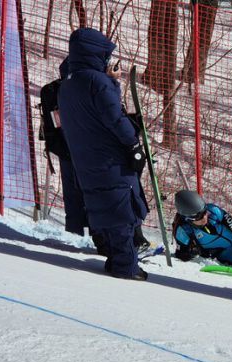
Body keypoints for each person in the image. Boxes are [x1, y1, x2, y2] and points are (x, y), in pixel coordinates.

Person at [57, 28, 149, 280]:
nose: (108, 61)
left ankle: (114, 258)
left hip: (85, 157)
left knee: (102, 206)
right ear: (94, 54)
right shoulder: (98, 83)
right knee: (122, 208)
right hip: (110, 157)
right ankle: (126, 267)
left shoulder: (68, 84)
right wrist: (133, 143)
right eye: (105, 56)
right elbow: (114, 118)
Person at [39, 58, 87, 236]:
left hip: (64, 148)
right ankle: (95, 234)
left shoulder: (57, 89)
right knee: (90, 193)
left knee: (72, 193)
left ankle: (74, 232)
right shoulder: (80, 88)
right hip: (83, 151)